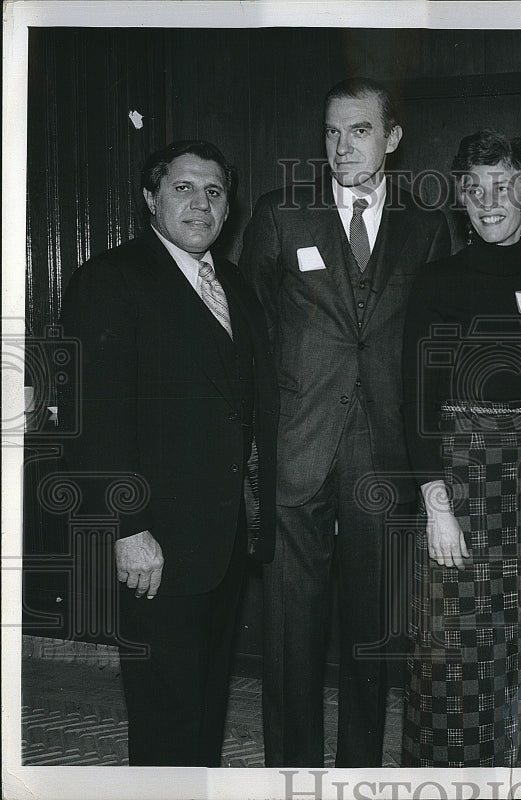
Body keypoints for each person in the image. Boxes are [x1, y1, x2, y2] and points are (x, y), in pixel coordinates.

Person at [240, 77, 450, 768]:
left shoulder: (427, 225)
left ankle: (361, 771)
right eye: (331, 132)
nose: (340, 147)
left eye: (358, 131)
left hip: (384, 453)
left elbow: (432, 348)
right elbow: (253, 333)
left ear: (391, 138)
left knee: (371, 633)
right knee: (290, 633)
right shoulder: (281, 214)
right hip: (297, 448)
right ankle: (289, 775)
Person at [59, 140, 278, 766]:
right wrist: (126, 529)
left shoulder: (231, 282)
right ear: (151, 198)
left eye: (214, 191)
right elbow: (90, 421)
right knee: (164, 709)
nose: (200, 203)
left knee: (206, 701)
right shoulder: (111, 279)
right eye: (183, 188)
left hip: (226, 538)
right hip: (153, 542)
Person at [399, 130, 521, 768]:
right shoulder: (434, 282)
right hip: (461, 485)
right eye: (475, 188)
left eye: (504, 187)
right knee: (457, 646)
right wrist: (435, 504)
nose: (488, 201)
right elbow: (416, 400)